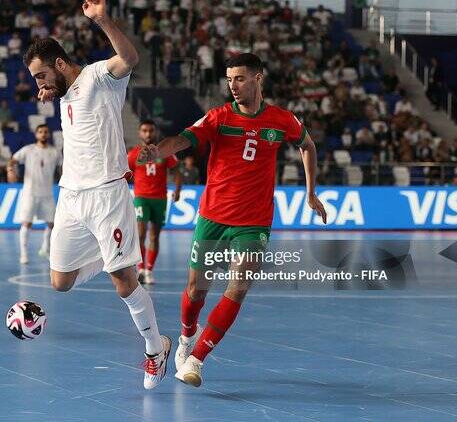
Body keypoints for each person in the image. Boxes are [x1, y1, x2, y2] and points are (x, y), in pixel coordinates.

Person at [139, 53, 327, 387]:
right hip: (213, 217)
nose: (233, 86)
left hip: (254, 223)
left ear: (259, 78)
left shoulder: (282, 120)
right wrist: (159, 151)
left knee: (237, 288)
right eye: (229, 79)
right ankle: (184, 340)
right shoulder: (219, 117)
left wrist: (311, 192)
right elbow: (183, 138)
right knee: (197, 290)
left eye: (239, 78)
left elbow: (307, 146)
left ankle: (196, 360)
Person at [23, 0, 171, 390]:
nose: (39, 84)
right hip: (71, 197)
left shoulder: (98, 77)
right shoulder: (63, 94)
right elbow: (67, 103)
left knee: (124, 282)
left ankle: (155, 347)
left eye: (41, 76)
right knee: (60, 282)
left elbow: (130, 59)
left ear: (58, 63)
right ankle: (114, 260)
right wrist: (49, 91)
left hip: (108, 195)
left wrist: (103, 20)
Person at [127, 120, 182, 285]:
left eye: (151, 130)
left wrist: (178, 190)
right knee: (141, 234)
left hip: (160, 199)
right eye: (144, 131)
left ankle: (149, 270)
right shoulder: (134, 154)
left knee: (154, 236)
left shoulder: (164, 152)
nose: (148, 134)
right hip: (142, 198)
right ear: (139, 133)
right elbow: (125, 174)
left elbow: (176, 171)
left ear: (155, 132)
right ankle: (141, 269)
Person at [7, 125, 62, 264]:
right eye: (40, 132)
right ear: (36, 135)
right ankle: (24, 255)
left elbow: (63, 169)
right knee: (27, 223)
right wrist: (10, 170)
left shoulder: (55, 152)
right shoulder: (28, 150)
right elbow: (12, 160)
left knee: (52, 224)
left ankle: (46, 248)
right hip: (30, 193)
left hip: (47, 193)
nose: (43, 134)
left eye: (45, 132)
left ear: (48, 134)